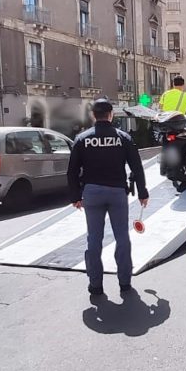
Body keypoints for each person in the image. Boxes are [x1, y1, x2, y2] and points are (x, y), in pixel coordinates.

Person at [68, 98, 149, 296]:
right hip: (117, 193)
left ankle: (95, 285)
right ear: (111, 115)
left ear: (93, 115)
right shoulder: (123, 138)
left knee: (94, 239)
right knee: (122, 237)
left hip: (92, 193)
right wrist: (143, 192)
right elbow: (136, 167)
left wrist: (75, 196)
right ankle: (124, 283)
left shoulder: (82, 139)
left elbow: (72, 171)